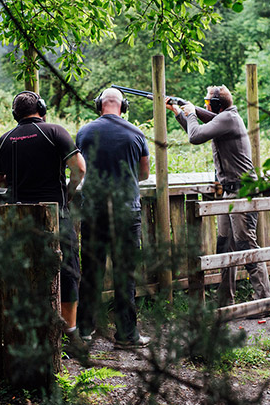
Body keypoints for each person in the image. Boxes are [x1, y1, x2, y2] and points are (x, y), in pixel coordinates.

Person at [0, 90, 87, 353]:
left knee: (24, 273)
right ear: (41, 109)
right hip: (55, 215)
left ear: (14, 114)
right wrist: (68, 193)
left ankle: (29, 332)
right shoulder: (55, 132)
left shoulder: (5, 139)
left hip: (19, 217)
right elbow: (80, 168)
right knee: (68, 272)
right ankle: (71, 334)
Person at [166, 85, 270, 312]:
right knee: (225, 246)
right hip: (229, 191)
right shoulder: (225, 118)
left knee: (246, 246)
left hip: (242, 192)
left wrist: (191, 112)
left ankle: (265, 302)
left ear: (216, 105)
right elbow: (197, 132)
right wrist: (178, 112)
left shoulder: (229, 119)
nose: (205, 106)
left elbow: (195, 137)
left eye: (207, 103)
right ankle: (225, 300)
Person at [75, 88, 151, 349]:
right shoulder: (136, 133)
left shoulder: (84, 132)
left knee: (91, 273)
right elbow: (144, 174)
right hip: (126, 212)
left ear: (99, 106)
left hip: (94, 211)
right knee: (125, 274)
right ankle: (127, 336)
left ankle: (84, 332)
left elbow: (79, 168)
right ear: (123, 106)